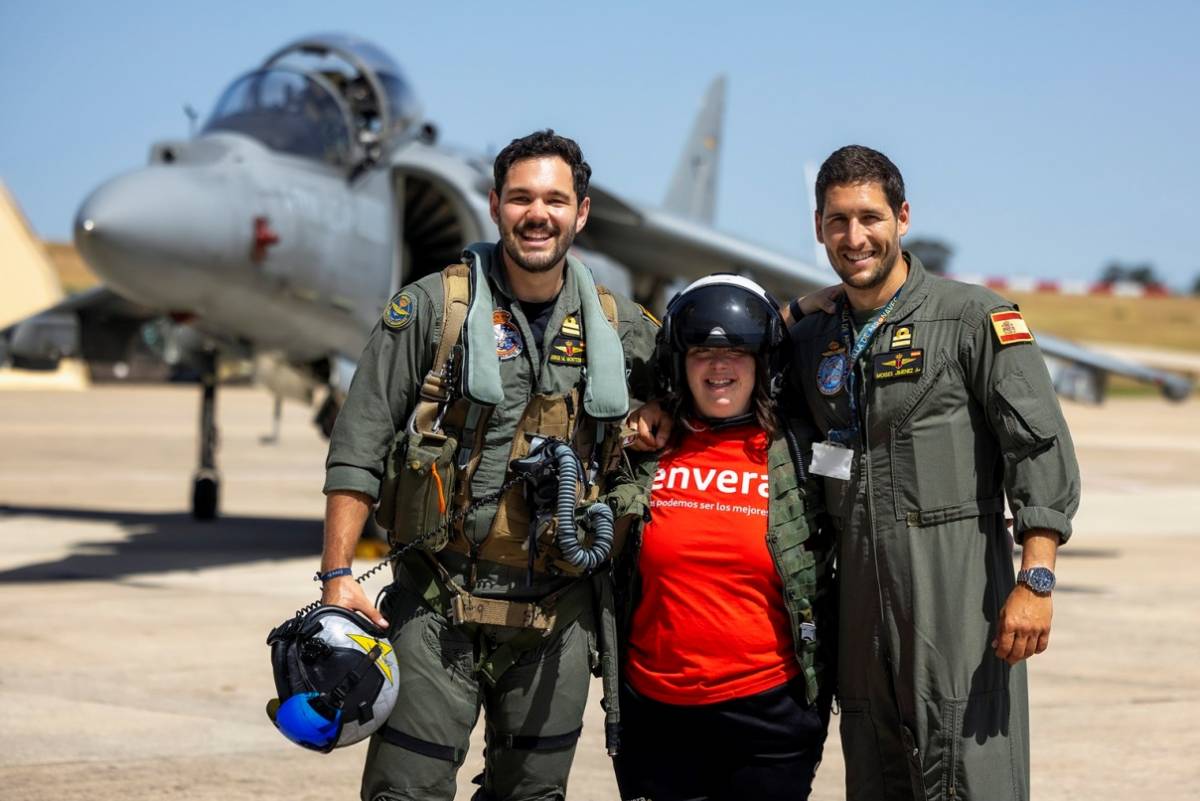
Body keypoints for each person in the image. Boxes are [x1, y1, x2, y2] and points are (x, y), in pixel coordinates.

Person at [318, 129, 659, 801]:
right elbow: (359, 443)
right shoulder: (431, 310)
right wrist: (337, 574)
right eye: (522, 198)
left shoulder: (623, 330)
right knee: (404, 792)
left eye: (556, 200)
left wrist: (802, 311)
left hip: (557, 617)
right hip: (436, 604)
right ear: (495, 204)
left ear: (581, 213)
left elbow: (718, 378)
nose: (538, 214)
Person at [788, 145, 1081, 800]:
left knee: (970, 773)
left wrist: (1036, 578)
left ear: (903, 217)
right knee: (875, 773)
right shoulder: (813, 339)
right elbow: (733, 362)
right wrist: (799, 309)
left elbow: (1037, 449)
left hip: (959, 604)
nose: (855, 237)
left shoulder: (972, 319)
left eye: (870, 217)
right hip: (860, 612)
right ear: (818, 228)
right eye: (838, 221)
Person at [604, 275, 834, 801]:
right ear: (679, 363)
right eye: (702, 353)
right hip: (656, 715)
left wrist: (796, 310)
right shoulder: (644, 446)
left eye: (737, 353)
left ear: (762, 363)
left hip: (769, 714)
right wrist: (630, 425)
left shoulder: (801, 451)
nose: (719, 366)